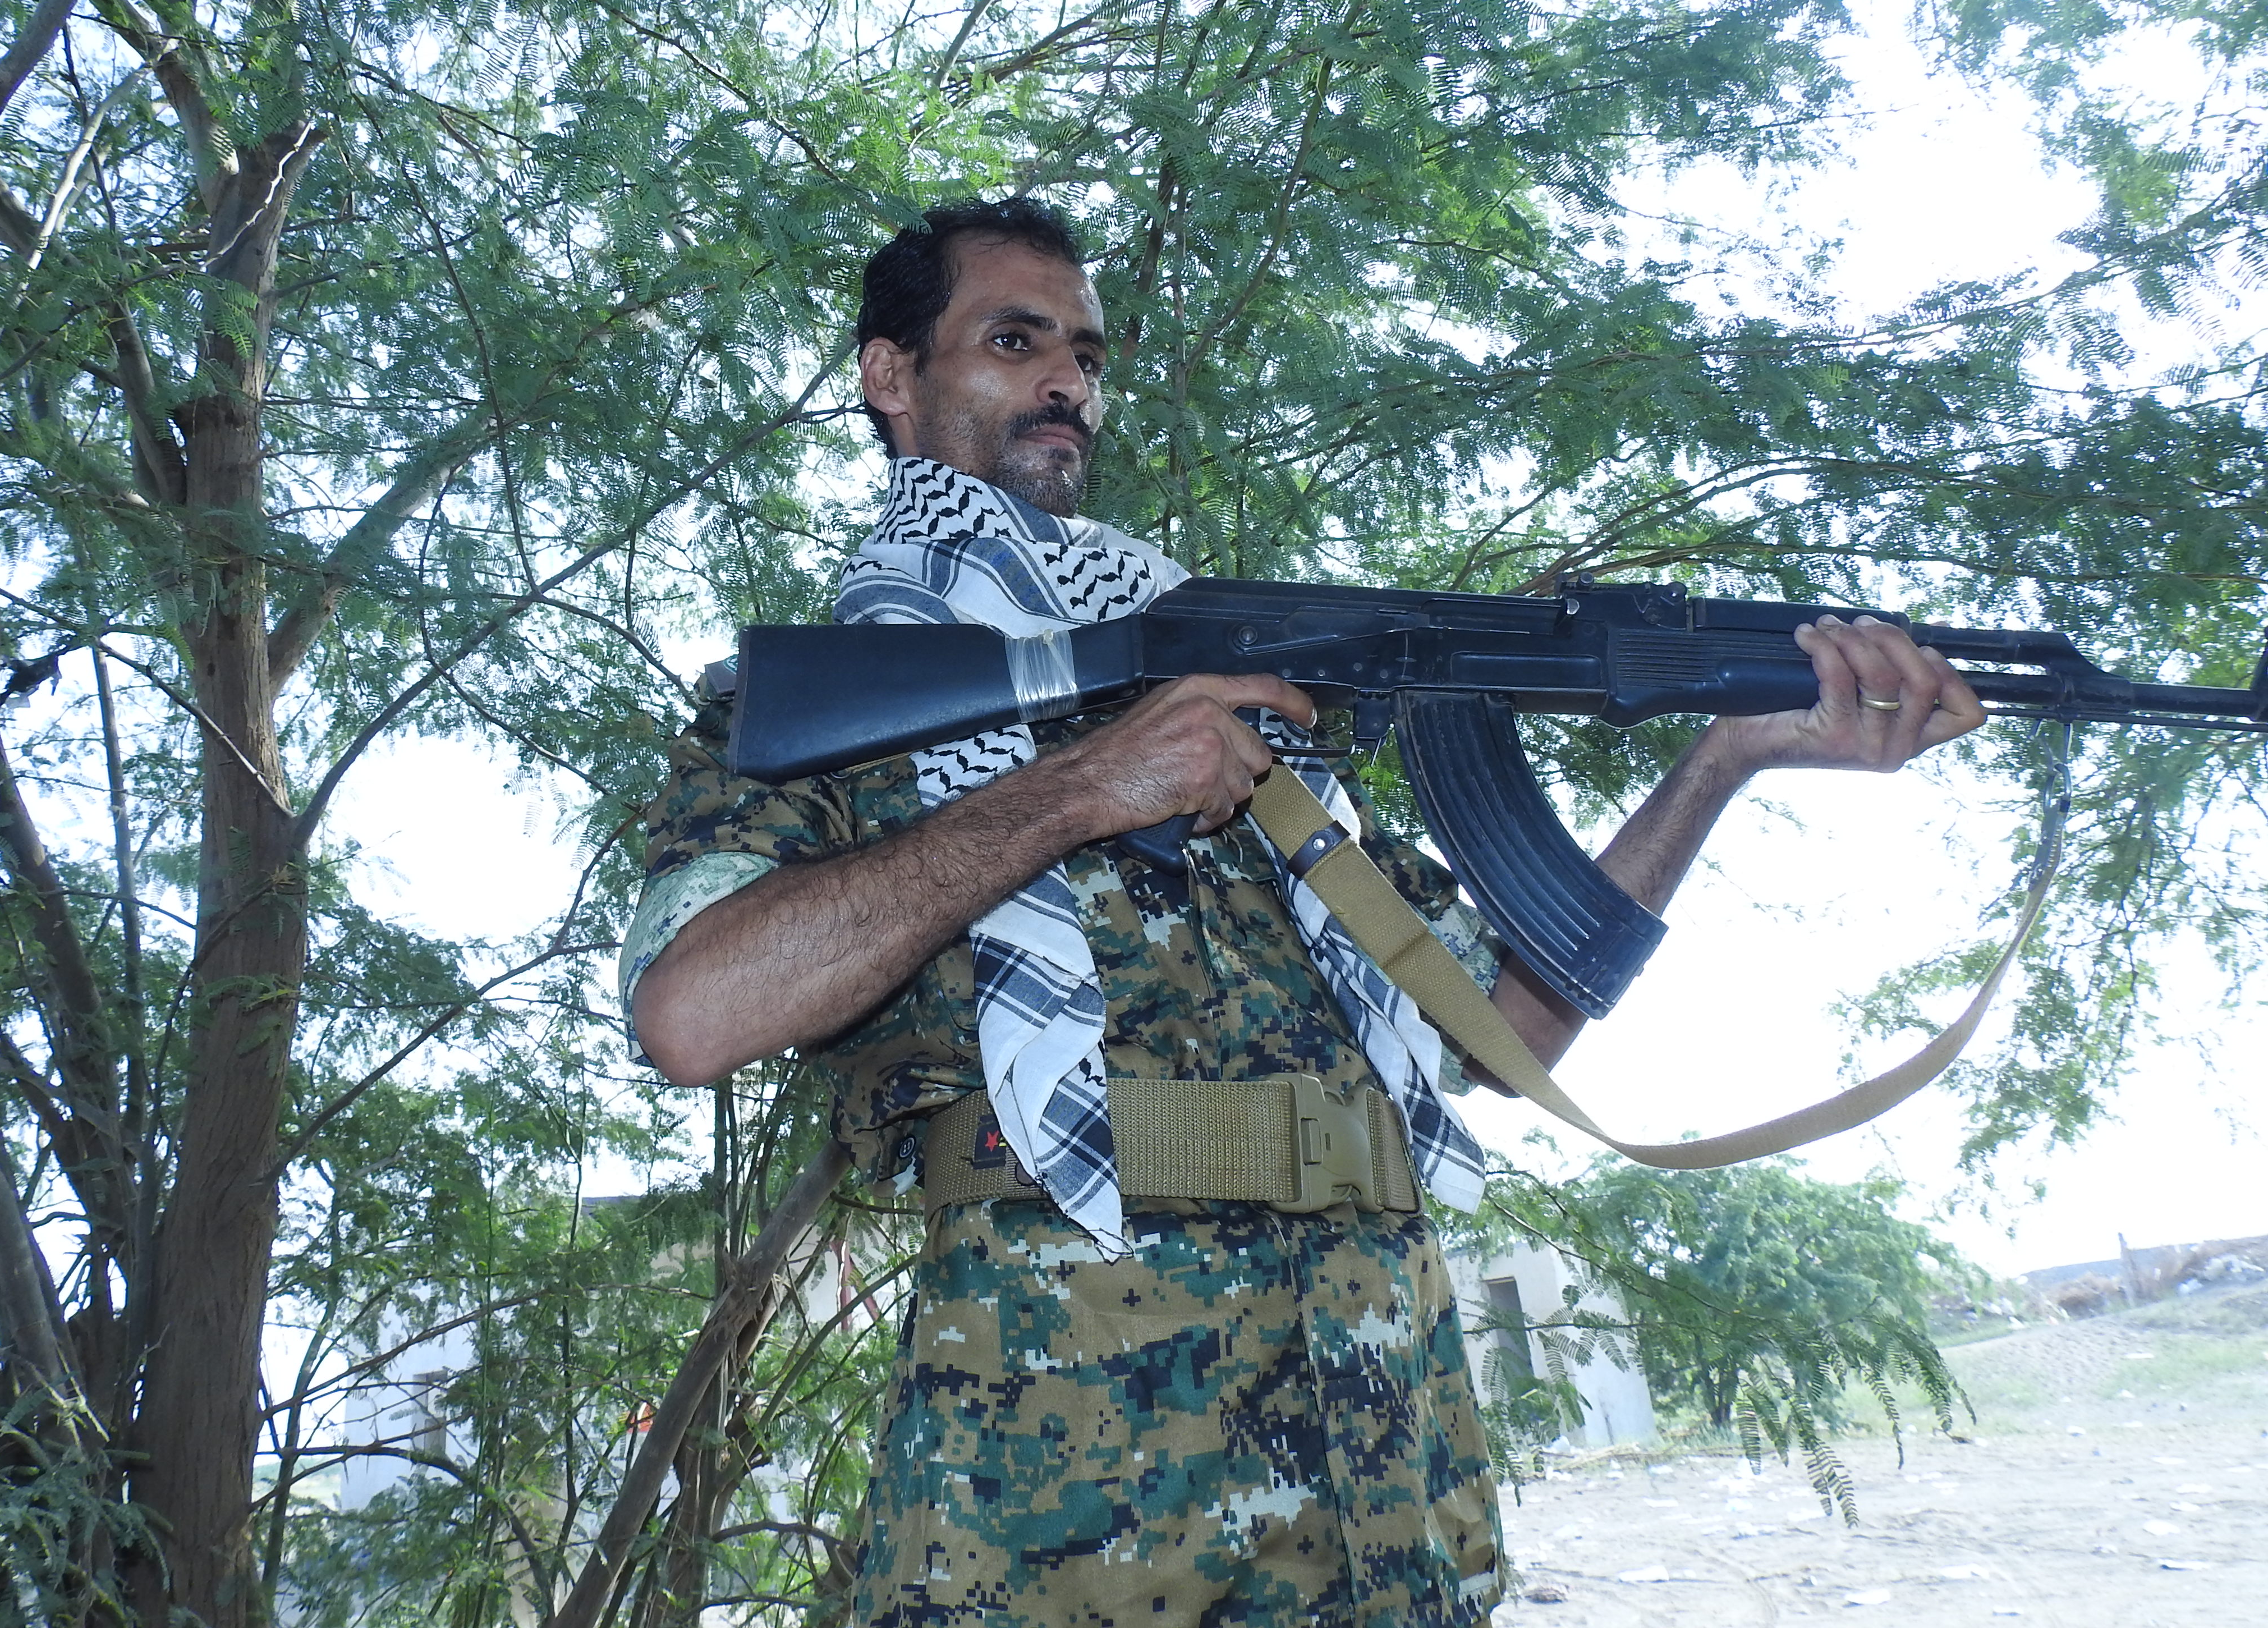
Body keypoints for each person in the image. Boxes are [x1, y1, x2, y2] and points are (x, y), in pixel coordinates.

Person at [622, 197, 1984, 1626]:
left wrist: (1727, 758)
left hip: (1391, 1480)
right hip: (1070, 1509)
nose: (1067, 380)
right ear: (890, 376)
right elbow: (692, 1012)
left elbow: (1509, 1028)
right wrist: (1083, 788)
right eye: (1014, 342)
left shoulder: (1239, 716)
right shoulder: (823, 707)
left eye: (1085, 353)